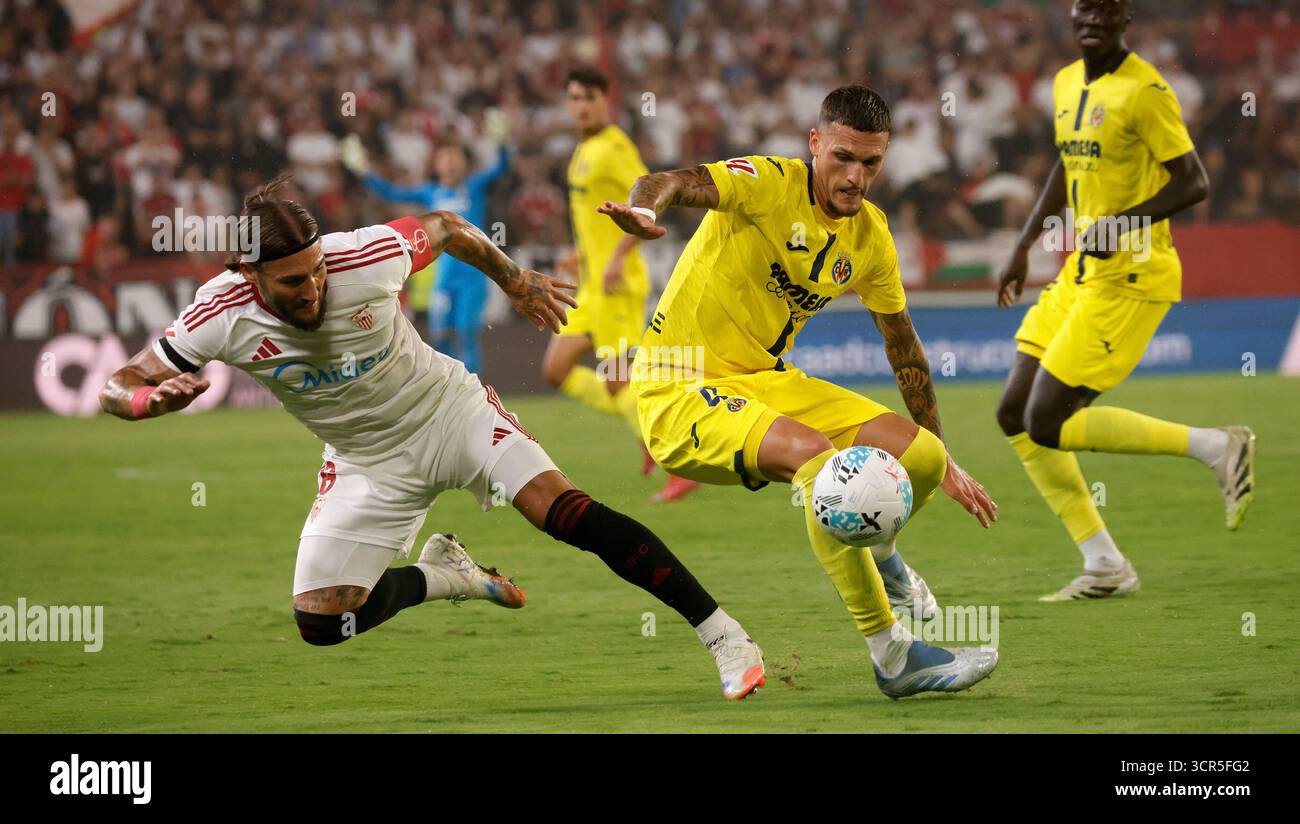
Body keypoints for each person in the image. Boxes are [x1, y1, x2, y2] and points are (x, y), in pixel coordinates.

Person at [98, 172, 766, 701]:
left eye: (317, 270)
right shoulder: (219, 312)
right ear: (250, 276)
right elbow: (118, 381)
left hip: (451, 413)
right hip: (367, 464)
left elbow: (446, 228)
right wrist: (144, 399)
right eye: (294, 282)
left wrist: (516, 279)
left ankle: (725, 637)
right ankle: (446, 577)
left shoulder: (364, 255)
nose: (314, 289)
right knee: (323, 622)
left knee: (565, 513)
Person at [600, 86, 1001, 699]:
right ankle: (892, 655)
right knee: (823, 462)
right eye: (843, 157)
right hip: (678, 389)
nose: (855, 176)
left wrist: (944, 455)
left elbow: (905, 349)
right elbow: (673, 181)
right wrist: (644, 211)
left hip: (767, 383)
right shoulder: (766, 183)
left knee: (919, 456)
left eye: (871, 163)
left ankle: (885, 558)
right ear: (815, 143)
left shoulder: (869, 237)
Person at [993, 0, 1254, 602]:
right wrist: (1024, 244)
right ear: (1072, 15)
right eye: (1084, 8)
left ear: (1124, 21)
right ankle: (1105, 563)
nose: (1092, 19)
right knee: (1014, 415)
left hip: (1134, 276)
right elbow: (1066, 166)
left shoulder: (1146, 91)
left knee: (1046, 421)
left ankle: (1217, 445)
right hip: (1081, 274)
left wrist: (1121, 223)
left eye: (1106, 10)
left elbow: (1194, 181)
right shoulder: (1063, 83)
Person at [544, 66, 698, 503]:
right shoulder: (583, 151)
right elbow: (594, 216)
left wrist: (615, 258)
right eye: (573, 98)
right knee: (556, 370)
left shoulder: (614, 147)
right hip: (592, 284)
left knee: (616, 377)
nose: (580, 106)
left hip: (617, 283)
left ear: (605, 101)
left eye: (589, 98)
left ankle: (675, 460)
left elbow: (648, 201)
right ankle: (645, 432)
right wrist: (580, 255)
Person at [346, 136, 508, 374]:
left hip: (472, 277)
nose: (451, 163)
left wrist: (501, 140)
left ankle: (474, 391)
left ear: (465, 164)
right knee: (440, 334)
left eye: (456, 158)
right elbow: (392, 193)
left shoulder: (474, 186)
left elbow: (502, 168)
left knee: (466, 334)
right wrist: (363, 169)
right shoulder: (430, 192)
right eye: (445, 158)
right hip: (444, 278)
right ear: (436, 165)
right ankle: (449, 387)